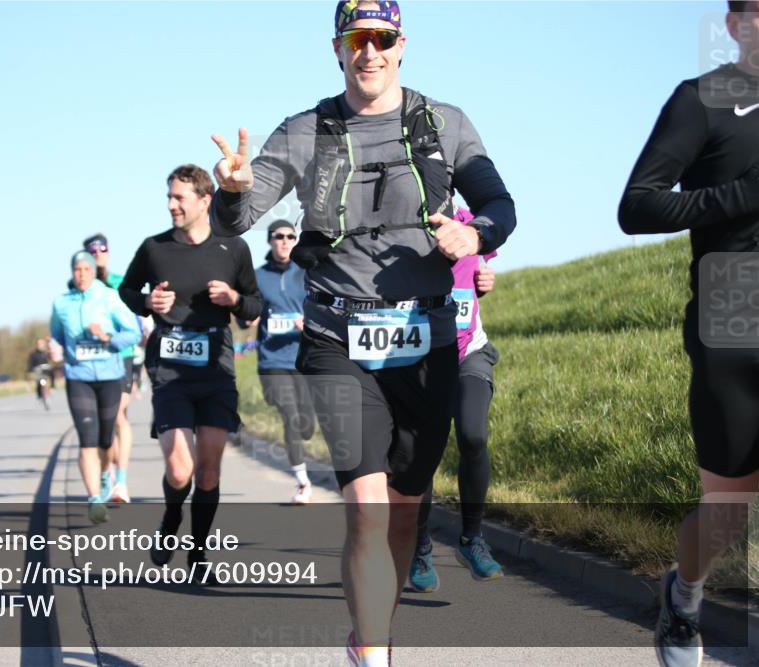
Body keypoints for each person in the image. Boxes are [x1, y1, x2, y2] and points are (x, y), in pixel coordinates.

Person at [209, 2, 516, 662]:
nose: (368, 52)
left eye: (381, 38)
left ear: (401, 45)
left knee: (404, 513)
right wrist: (232, 190)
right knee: (368, 509)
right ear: (337, 48)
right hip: (337, 339)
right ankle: (374, 654)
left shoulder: (446, 123)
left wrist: (477, 234)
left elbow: (499, 203)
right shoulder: (305, 130)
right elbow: (239, 215)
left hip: (427, 340)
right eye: (356, 39)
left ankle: (369, 635)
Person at [618, 3, 759, 666]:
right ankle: (684, 595)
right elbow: (638, 206)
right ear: (735, 24)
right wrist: (744, 195)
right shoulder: (702, 99)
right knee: (728, 512)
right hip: (734, 320)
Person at [120, 164, 262, 570]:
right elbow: (127, 289)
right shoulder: (155, 248)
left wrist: (234, 299)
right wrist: (147, 303)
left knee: (209, 473)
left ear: (205, 201)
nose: (171, 205)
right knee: (181, 471)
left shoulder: (233, 248)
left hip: (216, 369)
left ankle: (198, 553)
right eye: (169, 197)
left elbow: (254, 306)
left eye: (179, 197)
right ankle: (170, 520)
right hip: (170, 370)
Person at [408, 207, 502, 593]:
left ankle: (472, 538)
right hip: (419, 355)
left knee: (473, 435)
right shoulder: (403, 217)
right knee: (421, 454)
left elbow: (483, 263)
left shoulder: (467, 217)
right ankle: (420, 546)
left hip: (468, 352)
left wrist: (485, 279)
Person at [51, 250, 141, 524]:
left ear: (93, 271)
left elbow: (134, 333)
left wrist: (107, 339)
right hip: (79, 377)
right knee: (87, 439)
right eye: (77, 270)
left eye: (86, 270)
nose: (81, 275)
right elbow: (57, 334)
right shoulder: (61, 303)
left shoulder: (109, 297)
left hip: (110, 376)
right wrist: (70, 352)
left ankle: (105, 475)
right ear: (72, 273)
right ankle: (94, 500)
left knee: (105, 439)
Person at [249, 219, 317, 504]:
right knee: (290, 415)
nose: (285, 241)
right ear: (270, 240)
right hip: (272, 361)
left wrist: (308, 321)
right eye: (279, 236)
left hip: (302, 358)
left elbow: (321, 305)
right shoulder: (258, 276)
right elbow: (248, 312)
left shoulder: (306, 273)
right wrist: (247, 316)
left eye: (291, 236)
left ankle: (302, 464)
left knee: (306, 426)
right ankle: (303, 482)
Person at [82, 233, 140, 504]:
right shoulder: (81, 286)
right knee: (105, 422)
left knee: (117, 417)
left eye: (102, 249)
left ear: (108, 252)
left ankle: (121, 482)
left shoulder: (119, 283)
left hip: (121, 356)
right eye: (92, 251)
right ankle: (107, 471)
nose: (97, 254)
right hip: (93, 361)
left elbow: (133, 323)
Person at [27, 338, 53, 409]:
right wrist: (30, 370)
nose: (40, 345)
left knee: (49, 378)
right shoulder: (33, 354)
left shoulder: (46, 354)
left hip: (45, 371)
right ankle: (39, 395)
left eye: (42, 344)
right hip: (37, 372)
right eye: (39, 344)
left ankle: (52, 388)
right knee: (39, 383)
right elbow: (30, 364)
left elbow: (51, 359)